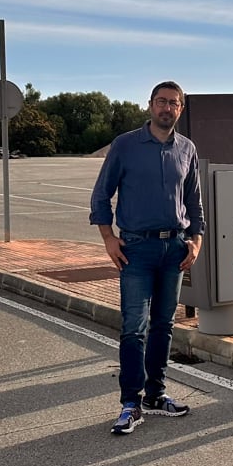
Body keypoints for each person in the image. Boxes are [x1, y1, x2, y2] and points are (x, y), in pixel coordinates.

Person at [90, 80, 204, 435]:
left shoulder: (187, 149)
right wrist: (109, 238)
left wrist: (196, 241)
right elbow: (100, 196)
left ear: (180, 110)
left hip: (174, 250)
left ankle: (156, 394)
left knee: (164, 326)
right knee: (133, 328)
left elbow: (195, 202)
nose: (166, 108)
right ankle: (130, 403)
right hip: (135, 250)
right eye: (161, 102)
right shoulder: (125, 145)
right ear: (150, 105)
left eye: (173, 103)